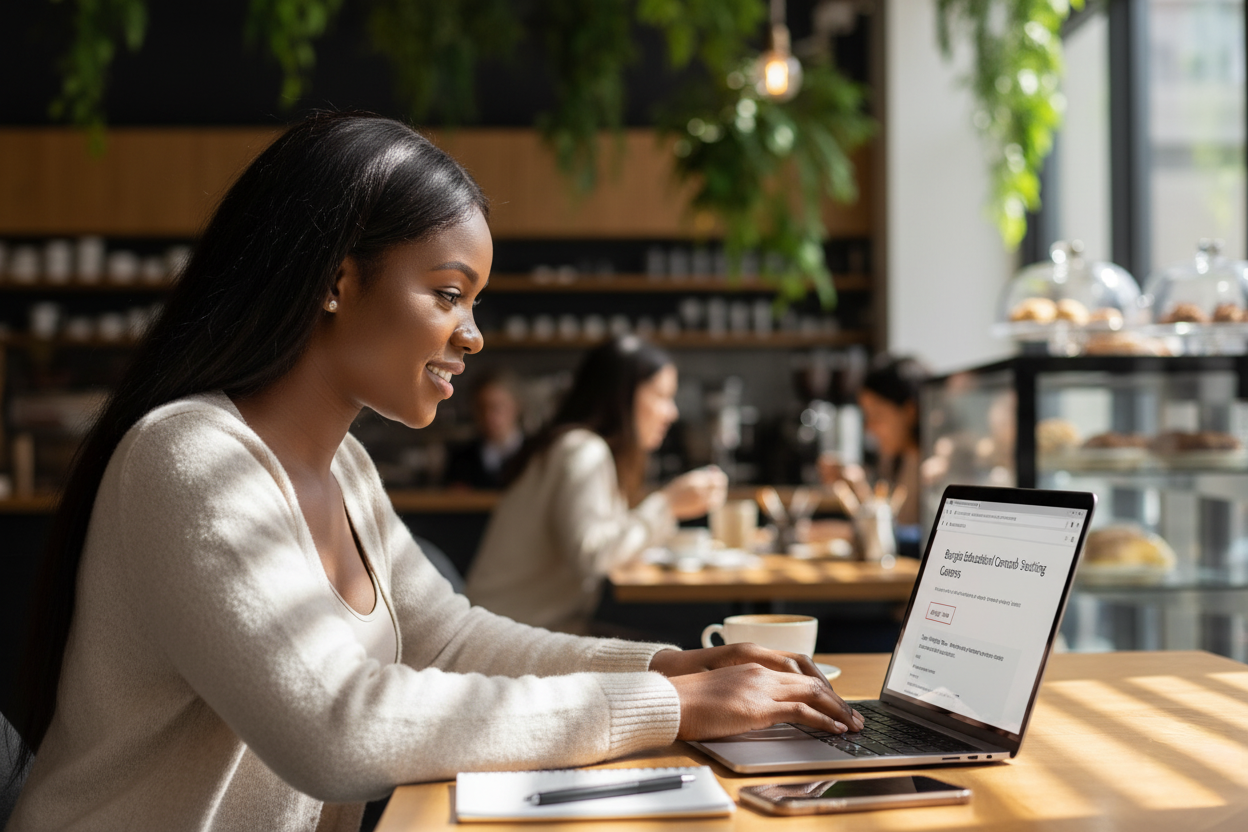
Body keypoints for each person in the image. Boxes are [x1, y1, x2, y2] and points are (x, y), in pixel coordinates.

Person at [7, 113, 862, 832]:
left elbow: (449, 641)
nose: (474, 335)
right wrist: (673, 713)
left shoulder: (343, 465)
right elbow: (340, 729)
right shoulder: (190, 459)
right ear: (338, 280)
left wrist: (669, 669)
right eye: (449, 294)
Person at [464, 336, 728, 635]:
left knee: (668, 649)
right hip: (507, 637)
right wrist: (667, 504)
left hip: (521, 628)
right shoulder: (582, 450)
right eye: (660, 395)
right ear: (621, 395)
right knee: (676, 650)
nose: (672, 413)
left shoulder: (576, 447)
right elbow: (592, 556)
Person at [822, 355, 926, 527]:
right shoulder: (895, 460)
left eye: (876, 415)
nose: (869, 428)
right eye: (866, 416)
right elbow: (889, 525)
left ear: (910, 411)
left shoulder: (938, 468)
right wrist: (857, 484)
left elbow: (912, 536)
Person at [443, 369, 524, 489]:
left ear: (516, 406)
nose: (488, 416)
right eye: (481, 408)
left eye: (497, 407)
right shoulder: (460, 459)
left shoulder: (536, 453)